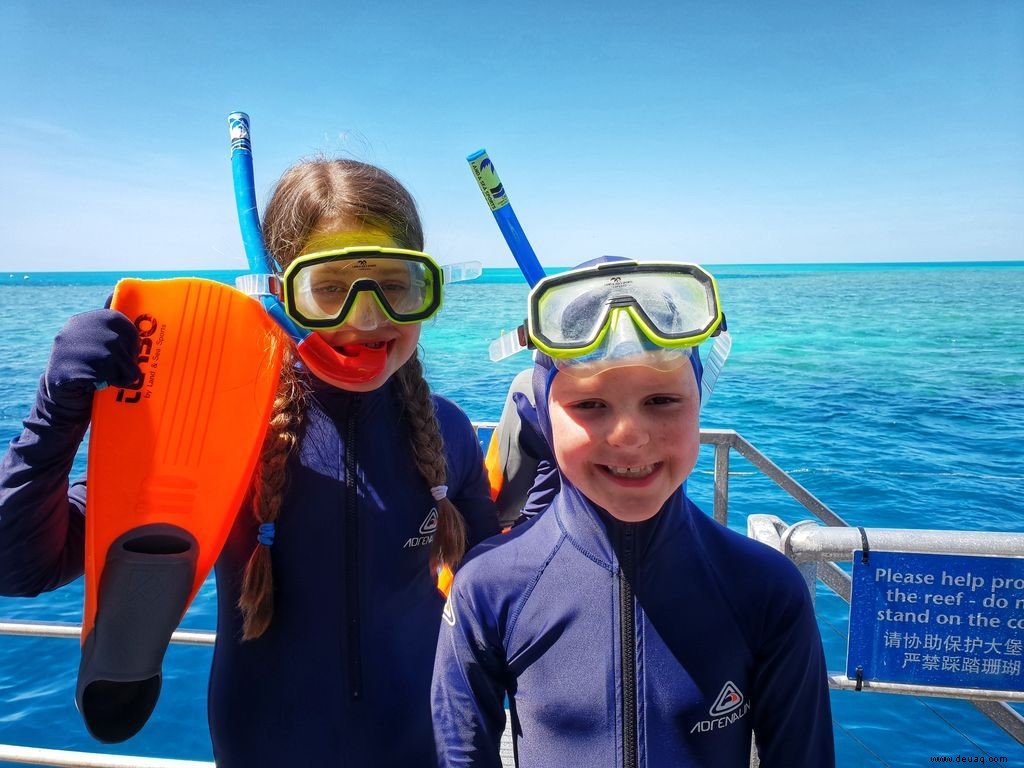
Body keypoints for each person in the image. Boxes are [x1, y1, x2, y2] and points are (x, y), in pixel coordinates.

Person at [0, 158, 499, 766]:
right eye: (330, 288)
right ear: (279, 294)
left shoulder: (447, 429)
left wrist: (570, 439)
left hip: (422, 748)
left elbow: (496, 580)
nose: (366, 319)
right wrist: (56, 418)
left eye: (394, 285)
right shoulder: (219, 426)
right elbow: (22, 565)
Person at [432, 257, 835, 767]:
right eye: (590, 405)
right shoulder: (489, 587)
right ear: (544, 416)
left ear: (699, 400)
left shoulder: (766, 591)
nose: (629, 436)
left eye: (663, 400)